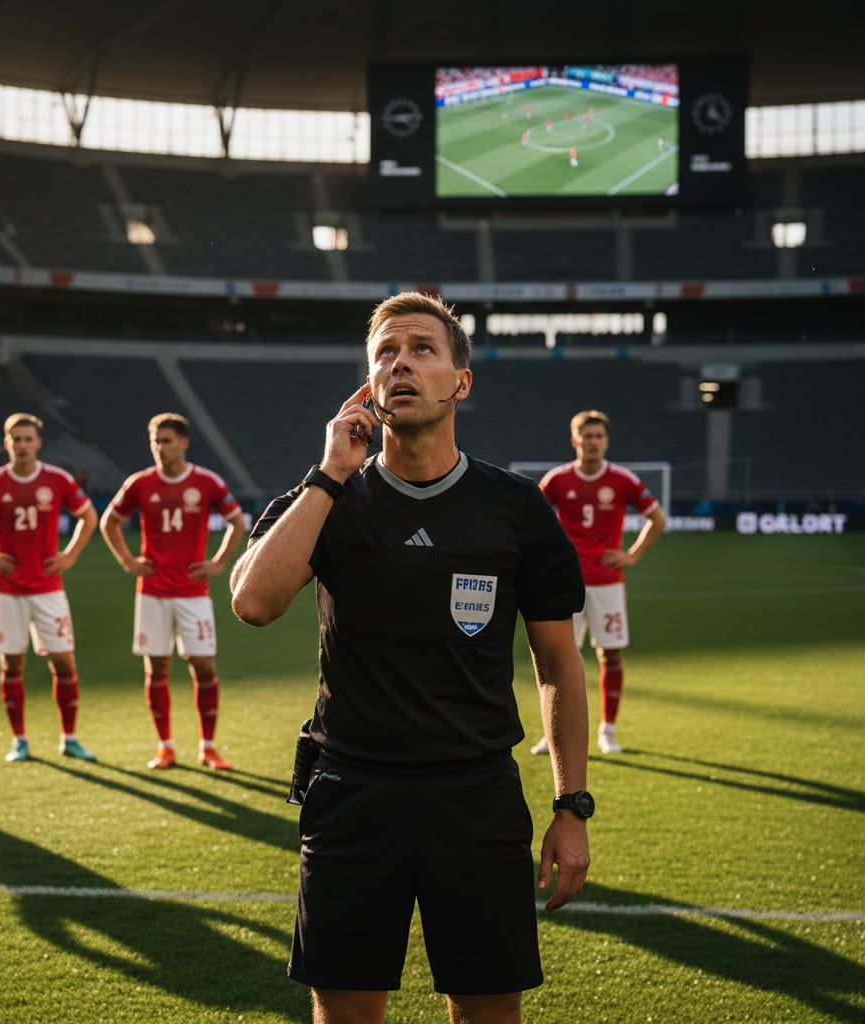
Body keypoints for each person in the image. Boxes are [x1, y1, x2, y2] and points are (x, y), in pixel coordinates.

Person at [230, 292, 592, 1024]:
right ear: (367, 386)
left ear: (461, 381)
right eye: (385, 353)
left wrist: (570, 804)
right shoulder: (328, 497)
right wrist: (331, 473)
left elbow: (556, 663)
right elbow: (253, 603)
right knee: (349, 1010)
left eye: (422, 348)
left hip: (476, 795)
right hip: (351, 790)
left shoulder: (516, 507)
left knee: (486, 1011)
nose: (401, 363)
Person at [0, 413, 98, 764]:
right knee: (12, 665)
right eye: (16, 439)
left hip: (48, 588)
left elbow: (89, 516)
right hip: (8, 590)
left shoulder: (57, 479)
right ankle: (19, 741)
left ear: (38, 443)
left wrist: (70, 554)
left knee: (63, 661)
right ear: (6, 443)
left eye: (28, 439)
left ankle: (70, 738)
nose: (23, 445)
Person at [100, 412, 246, 771]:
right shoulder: (140, 483)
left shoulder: (206, 482)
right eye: (155, 441)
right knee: (156, 670)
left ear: (184, 443)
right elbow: (109, 521)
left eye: (166, 441)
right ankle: (165, 746)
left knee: (204, 668)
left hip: (192, 593)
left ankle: (208, 747)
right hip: (152, 592)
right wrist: (127, 560)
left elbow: (237, 522)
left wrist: (218, 562)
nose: (160, 448)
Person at [533, 410, 666, 756]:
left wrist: (633, 555)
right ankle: (553, 733)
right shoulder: (558, 480)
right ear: (575, 441)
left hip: (608, 583)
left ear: (606, 441)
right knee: (558, 659)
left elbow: (657, 519)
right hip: (567, 583)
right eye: (586, 436)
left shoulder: (623, 481)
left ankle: (608, 731)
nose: (593, 442)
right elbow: (529, 518)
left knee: (610, 655)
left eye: (598, 436)